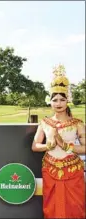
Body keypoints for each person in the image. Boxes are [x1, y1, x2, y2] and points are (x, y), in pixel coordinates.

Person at [31, 64, 85, 219]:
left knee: (75, 207)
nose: (58, 103)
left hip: (73, 171)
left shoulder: (77, 123)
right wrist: (49, 146)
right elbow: (35, 146)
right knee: (51, 207)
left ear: (68, 101)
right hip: (51, 169)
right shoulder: (45, 123)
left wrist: (65, 145)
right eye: (55, 100)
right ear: (50, 101)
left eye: (62, 99)